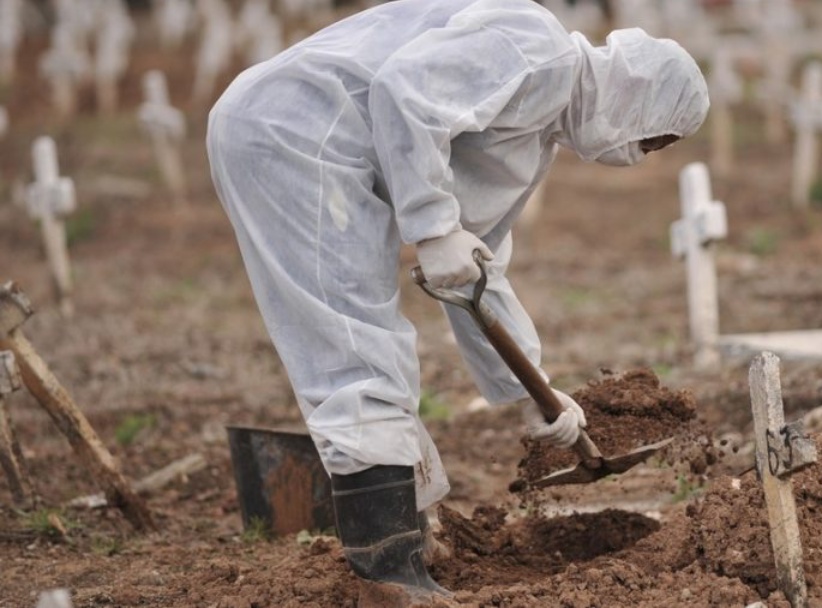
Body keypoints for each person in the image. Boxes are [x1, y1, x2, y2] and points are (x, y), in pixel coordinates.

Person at [206, 0, 708, 597]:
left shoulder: (535, 133)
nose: (636, 156)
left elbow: (475, 272)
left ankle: (409, 542)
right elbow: (404, 93)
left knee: (367, 351)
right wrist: (432, 224)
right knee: (353, 348)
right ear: (637, 96)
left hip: (315, 147)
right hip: (296, 132)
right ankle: (389, 572)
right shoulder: (537, 46)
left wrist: (531, 392)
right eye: (651, 140)